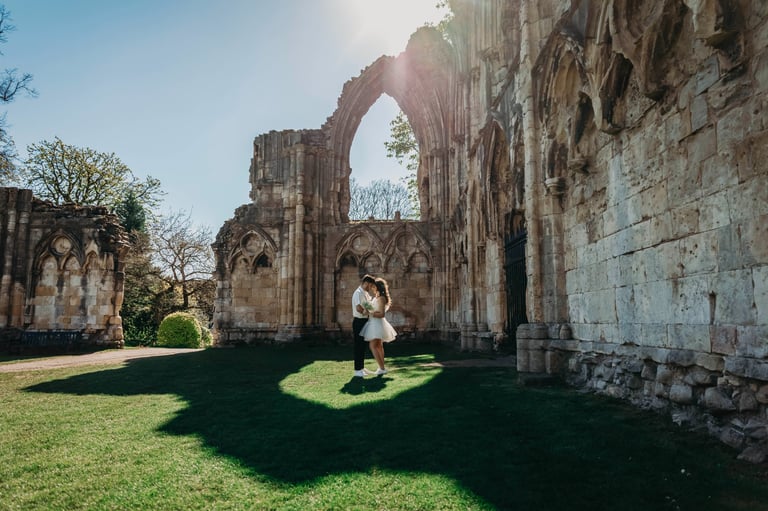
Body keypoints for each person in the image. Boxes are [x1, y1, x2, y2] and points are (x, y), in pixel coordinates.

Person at [359, 277, 397, 375]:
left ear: (378, 287)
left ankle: (381, 368)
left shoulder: (381, 298)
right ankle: (382, 368)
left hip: (376, 323)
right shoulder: (377, 297)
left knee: (373, 346)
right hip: (374, 323)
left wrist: (369, 313)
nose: (372, 288)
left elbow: (381, 314)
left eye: (373, 286)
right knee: (379, 346)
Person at [352, 274, 377, 377]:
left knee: (363, 346)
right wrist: (367, 313)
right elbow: (358, 308)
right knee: (358, 346)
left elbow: (368, 306)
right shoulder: (357, 293)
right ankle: (357, 370)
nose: (370, 288)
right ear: (365, 283)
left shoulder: (365, 294)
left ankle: (361, 368)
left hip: (364, 321)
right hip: (358, 321)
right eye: (370, 285)